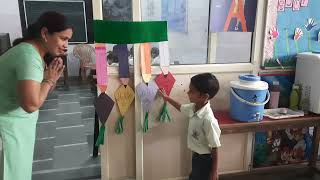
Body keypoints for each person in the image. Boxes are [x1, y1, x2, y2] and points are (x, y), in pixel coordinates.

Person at [0, 11, 73, 180]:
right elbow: (31, 104)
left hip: (16, 127)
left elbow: (40, 93)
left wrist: (51, 79)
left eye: (68, 40)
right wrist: (48, 81)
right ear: (45, 34)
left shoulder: (33, 53)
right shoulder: (28, 56)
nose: (66, 45)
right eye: (63, 38)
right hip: (7, 129)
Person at [158, 73, 221, 180]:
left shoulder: (208, 119)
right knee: (193, 176)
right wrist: (167, 98)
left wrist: (214, 171)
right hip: (196, 156)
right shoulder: (193, 108)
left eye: (191, 91)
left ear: (204, 96)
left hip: (205, 160)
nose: (188, 93)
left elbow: (215, 146)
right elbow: (180, 107)